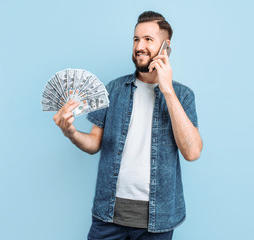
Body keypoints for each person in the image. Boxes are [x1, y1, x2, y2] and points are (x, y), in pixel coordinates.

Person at [53, 11, 203, 240]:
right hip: (108, 215)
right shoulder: (112, 89)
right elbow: (94, 143)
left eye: (148, 40)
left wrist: (167, 90)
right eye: (136, 39)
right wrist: (71, 132)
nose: (139, 46)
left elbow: (192, 152)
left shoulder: (182, 95)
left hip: (158, 220)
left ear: (166, 46)